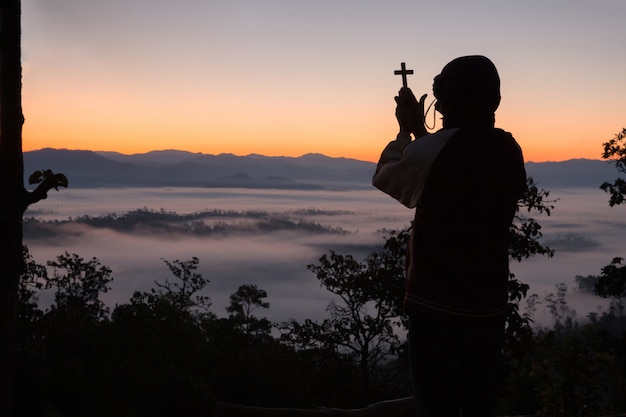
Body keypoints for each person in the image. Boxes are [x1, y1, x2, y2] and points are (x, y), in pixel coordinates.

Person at [372, 55, 527, 417]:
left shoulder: (432, 150)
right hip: (488, 308)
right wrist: (426, 138)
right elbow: (452, 158)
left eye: (440, 97)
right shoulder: (509, 149)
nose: (437, 104)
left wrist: (406, 132)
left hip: (436, 309)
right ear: (495, 100)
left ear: (446, 101)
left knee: (436, 407)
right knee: (479, 406)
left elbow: (388, 175)